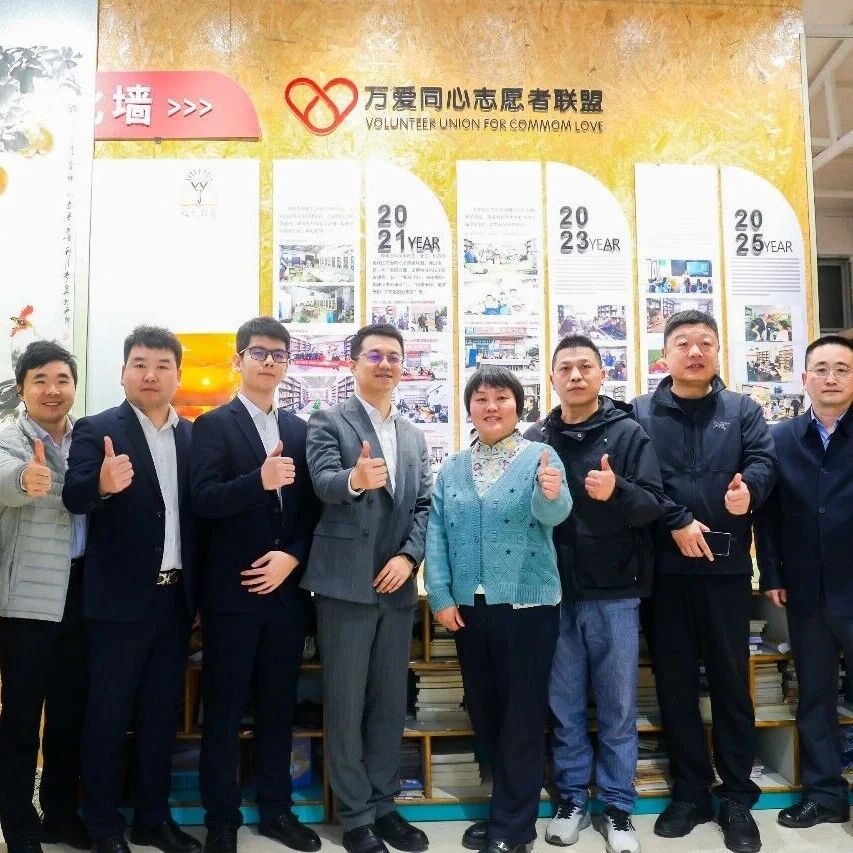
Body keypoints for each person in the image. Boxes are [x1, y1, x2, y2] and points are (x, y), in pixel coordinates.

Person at [632, 310, 776, 853]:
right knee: (674, 685)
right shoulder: (640, 412)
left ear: (718, 351)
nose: (695, 352)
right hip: (664, 572)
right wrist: (676, 520)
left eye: (706, 343)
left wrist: (750, 490)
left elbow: (763, 460)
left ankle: (736, 796)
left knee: (730, 683)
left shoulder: (742, 409)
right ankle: (690, 792)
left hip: (726, 569)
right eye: (683, 343)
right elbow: (635, 480)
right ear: (664, 354)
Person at [524, 336, 665, 853]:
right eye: (566, 368)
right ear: (552, 377)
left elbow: (655, 504)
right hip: (553, 590)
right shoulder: (536, 438)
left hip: (615, 592)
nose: (576, 375)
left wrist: (617, 491)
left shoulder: (628, 433)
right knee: (563, 705)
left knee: (617, 707)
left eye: (586, 366)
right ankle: (572, 799)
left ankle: (619, 806)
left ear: (603, 374)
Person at [63, 326, 200, 853]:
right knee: (108, 716)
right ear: (123, 372)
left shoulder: (192, 436)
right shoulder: (97, 429)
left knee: (161, 717)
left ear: (177, 376)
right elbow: (73, 496)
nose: (150, 374)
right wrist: (99, 484)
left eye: (162, 365)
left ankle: (152, 819)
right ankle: (102, 825)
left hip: (175, 600)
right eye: (139, 364)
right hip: (117, 604)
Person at [425, 365, 571, 853]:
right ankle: (502, 811)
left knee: (521, 716)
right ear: (469, 409)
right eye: (481, 399)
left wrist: (550, 493)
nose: (491, 406)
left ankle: (513, 827)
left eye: (501, 398)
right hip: (471, 608)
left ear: (517, 407)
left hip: (528, 605)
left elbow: (555, 513)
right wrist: (441, 595)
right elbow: (437, 535)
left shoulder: (540, 456)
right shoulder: (453, 467)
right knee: (485, 710)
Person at [190, 317, 322, 853]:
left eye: (278, 354)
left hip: (287, 594)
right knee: (223, 710)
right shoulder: (212, 426)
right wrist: (258, 482)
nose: (269, 361)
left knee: (278, 706)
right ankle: (222, 818)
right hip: (232, 594)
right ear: (238, 360)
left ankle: (276, 811)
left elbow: (313, 513)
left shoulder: (301, 429)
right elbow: (203, 501)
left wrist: (293, 557)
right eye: (259, 352)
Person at [302, 324, 432, 853]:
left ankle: (384, 805)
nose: (385, 364)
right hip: (346, 585)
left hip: (396, 584)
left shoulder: (413, 434)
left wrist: (409, 557)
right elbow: (322, 483)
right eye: (374, 355)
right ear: (352, 363)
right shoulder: (328, 420)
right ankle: (355, 815)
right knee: (345, 702)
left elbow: (423, 506)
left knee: (388, 702)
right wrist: (355, 480)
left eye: (394, 356)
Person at [756, 335, 853, 829]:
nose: (831, 378)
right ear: (805, 379)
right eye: (821, 369)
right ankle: (825, 795)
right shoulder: (781, 438)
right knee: (815, 696)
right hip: (806, 592)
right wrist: (773, 574)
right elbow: (768, 516)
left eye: (842, 369)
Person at [0, 342, 89, 853]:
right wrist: (23, 478)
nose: (52, 390)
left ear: (74, 385)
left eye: (62, 379)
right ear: (22, 388)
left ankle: (59, 812)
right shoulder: (9, 438)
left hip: (82, 592)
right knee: (21, 716)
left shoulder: (88, 437)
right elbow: (4, 478)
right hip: (27, 599)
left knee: (69, 712)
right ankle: (17, 819)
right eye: (40, 380)